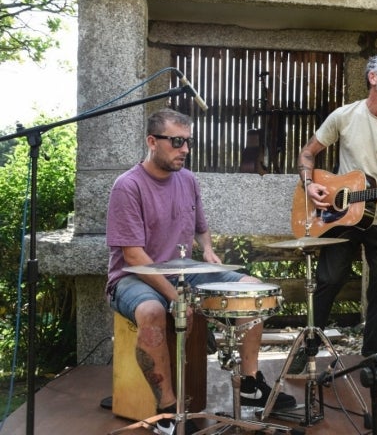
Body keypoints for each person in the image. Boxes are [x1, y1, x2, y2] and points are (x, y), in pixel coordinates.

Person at [105, 108, 296, 434]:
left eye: (188, 142)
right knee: (152, 310)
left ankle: (249, 383)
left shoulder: (188, 180)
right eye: (177, 142)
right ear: (152, 141)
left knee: (252, 289)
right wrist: (179, 301)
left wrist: (207, 250)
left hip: (185, 270)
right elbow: (135, 257)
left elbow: (200, 228)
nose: (185, 150)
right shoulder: (128, 186)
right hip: (134, 277)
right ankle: (167, 410)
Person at [297, 49, 377, 357]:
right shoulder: (344, 116)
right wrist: (309, 183)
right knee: (328, 279)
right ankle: (307, 348)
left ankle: (372, 360)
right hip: (341, 214)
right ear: (373, 78)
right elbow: (307, 154)